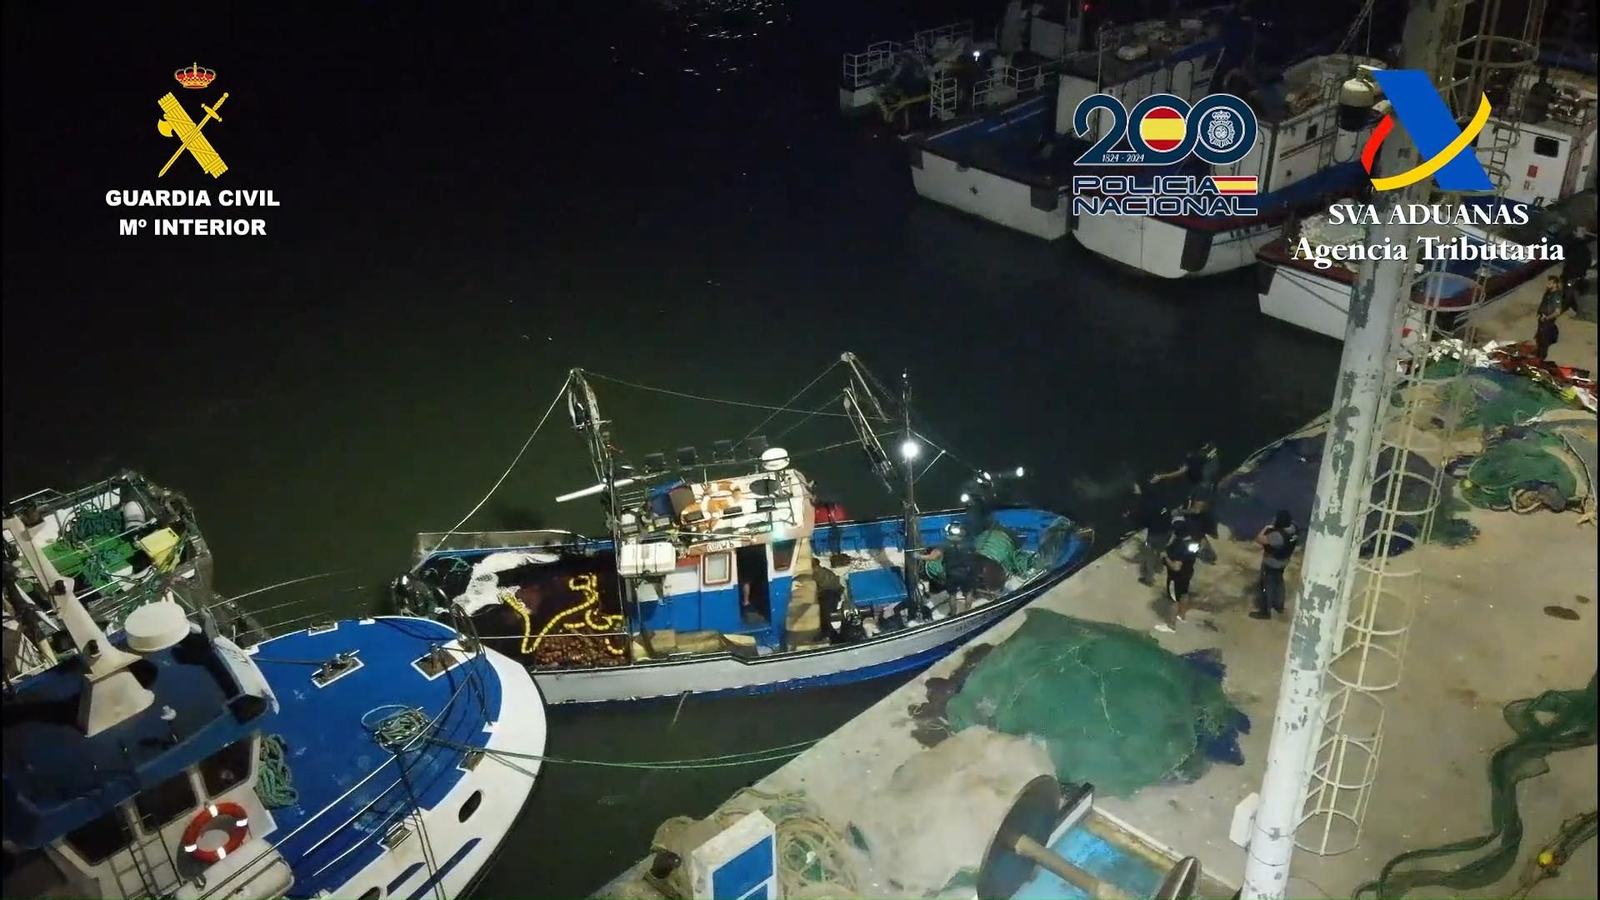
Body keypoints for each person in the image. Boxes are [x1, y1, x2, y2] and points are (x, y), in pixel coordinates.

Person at [1251, 510, 1299, 620]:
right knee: (1279, 582)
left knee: (1266, 586)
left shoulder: (1278, 536)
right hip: (1284, 561)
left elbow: (1259, 539)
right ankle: (1279, 606)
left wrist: (1266, 527)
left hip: (1272, 563)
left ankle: (1265, 612)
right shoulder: (1294, 528)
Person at [1153, 529, 1201, 633]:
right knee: (1184, 594)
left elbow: (1176, 567)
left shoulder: (1178, 546)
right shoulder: (1193, 543)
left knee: (1173, 600)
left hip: (1176, 578)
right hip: (1188, 573)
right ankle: (1182, 615)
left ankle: (1170, 626)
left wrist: (1165, 557)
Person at [1128, 481, 1171, 586]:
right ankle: (1158, 564)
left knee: (1149, 557)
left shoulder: (1145, 504)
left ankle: (1149, 579)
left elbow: (1139, 519)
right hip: (1167, 531)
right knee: (1159, 550)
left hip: (1154, 535)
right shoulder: (1162, 499)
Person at [1535, 274, 1563, 361]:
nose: (1548, 284)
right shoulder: (1548, 293)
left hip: (1547, 321)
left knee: (1544, 340)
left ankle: (1541, 358)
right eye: (1548, 282)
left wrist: (1547, 318)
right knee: (1539, 337)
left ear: (1555, 284)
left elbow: (1557, 312)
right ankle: (1538, 353)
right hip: (1542, 319)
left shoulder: (1556, 296)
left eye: (1550, 283)